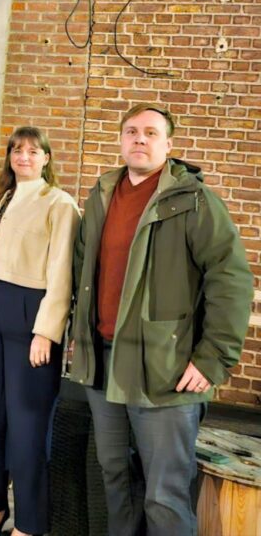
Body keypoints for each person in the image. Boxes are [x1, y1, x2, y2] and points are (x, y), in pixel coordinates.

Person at [71, 103, 253, 536]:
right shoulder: (101, 195)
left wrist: (212, 359)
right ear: (120, 140)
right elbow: (82, 271)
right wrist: (78, 333)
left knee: (164, 493)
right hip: (104, 362)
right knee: (116, 478)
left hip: (166, 368)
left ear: (168, 145)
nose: (140, 139)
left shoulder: (194, 201)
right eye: (132, 131)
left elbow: (231, 280)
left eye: (151, 133)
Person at [0, 127, 79, 536]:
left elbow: (62, 272)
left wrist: (47, 331)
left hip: (31, 314)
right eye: (17, 150)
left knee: (27, 426)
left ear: (46, 158)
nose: (24, 156)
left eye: (33, 151)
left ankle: (28, 523)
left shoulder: (59, 203)